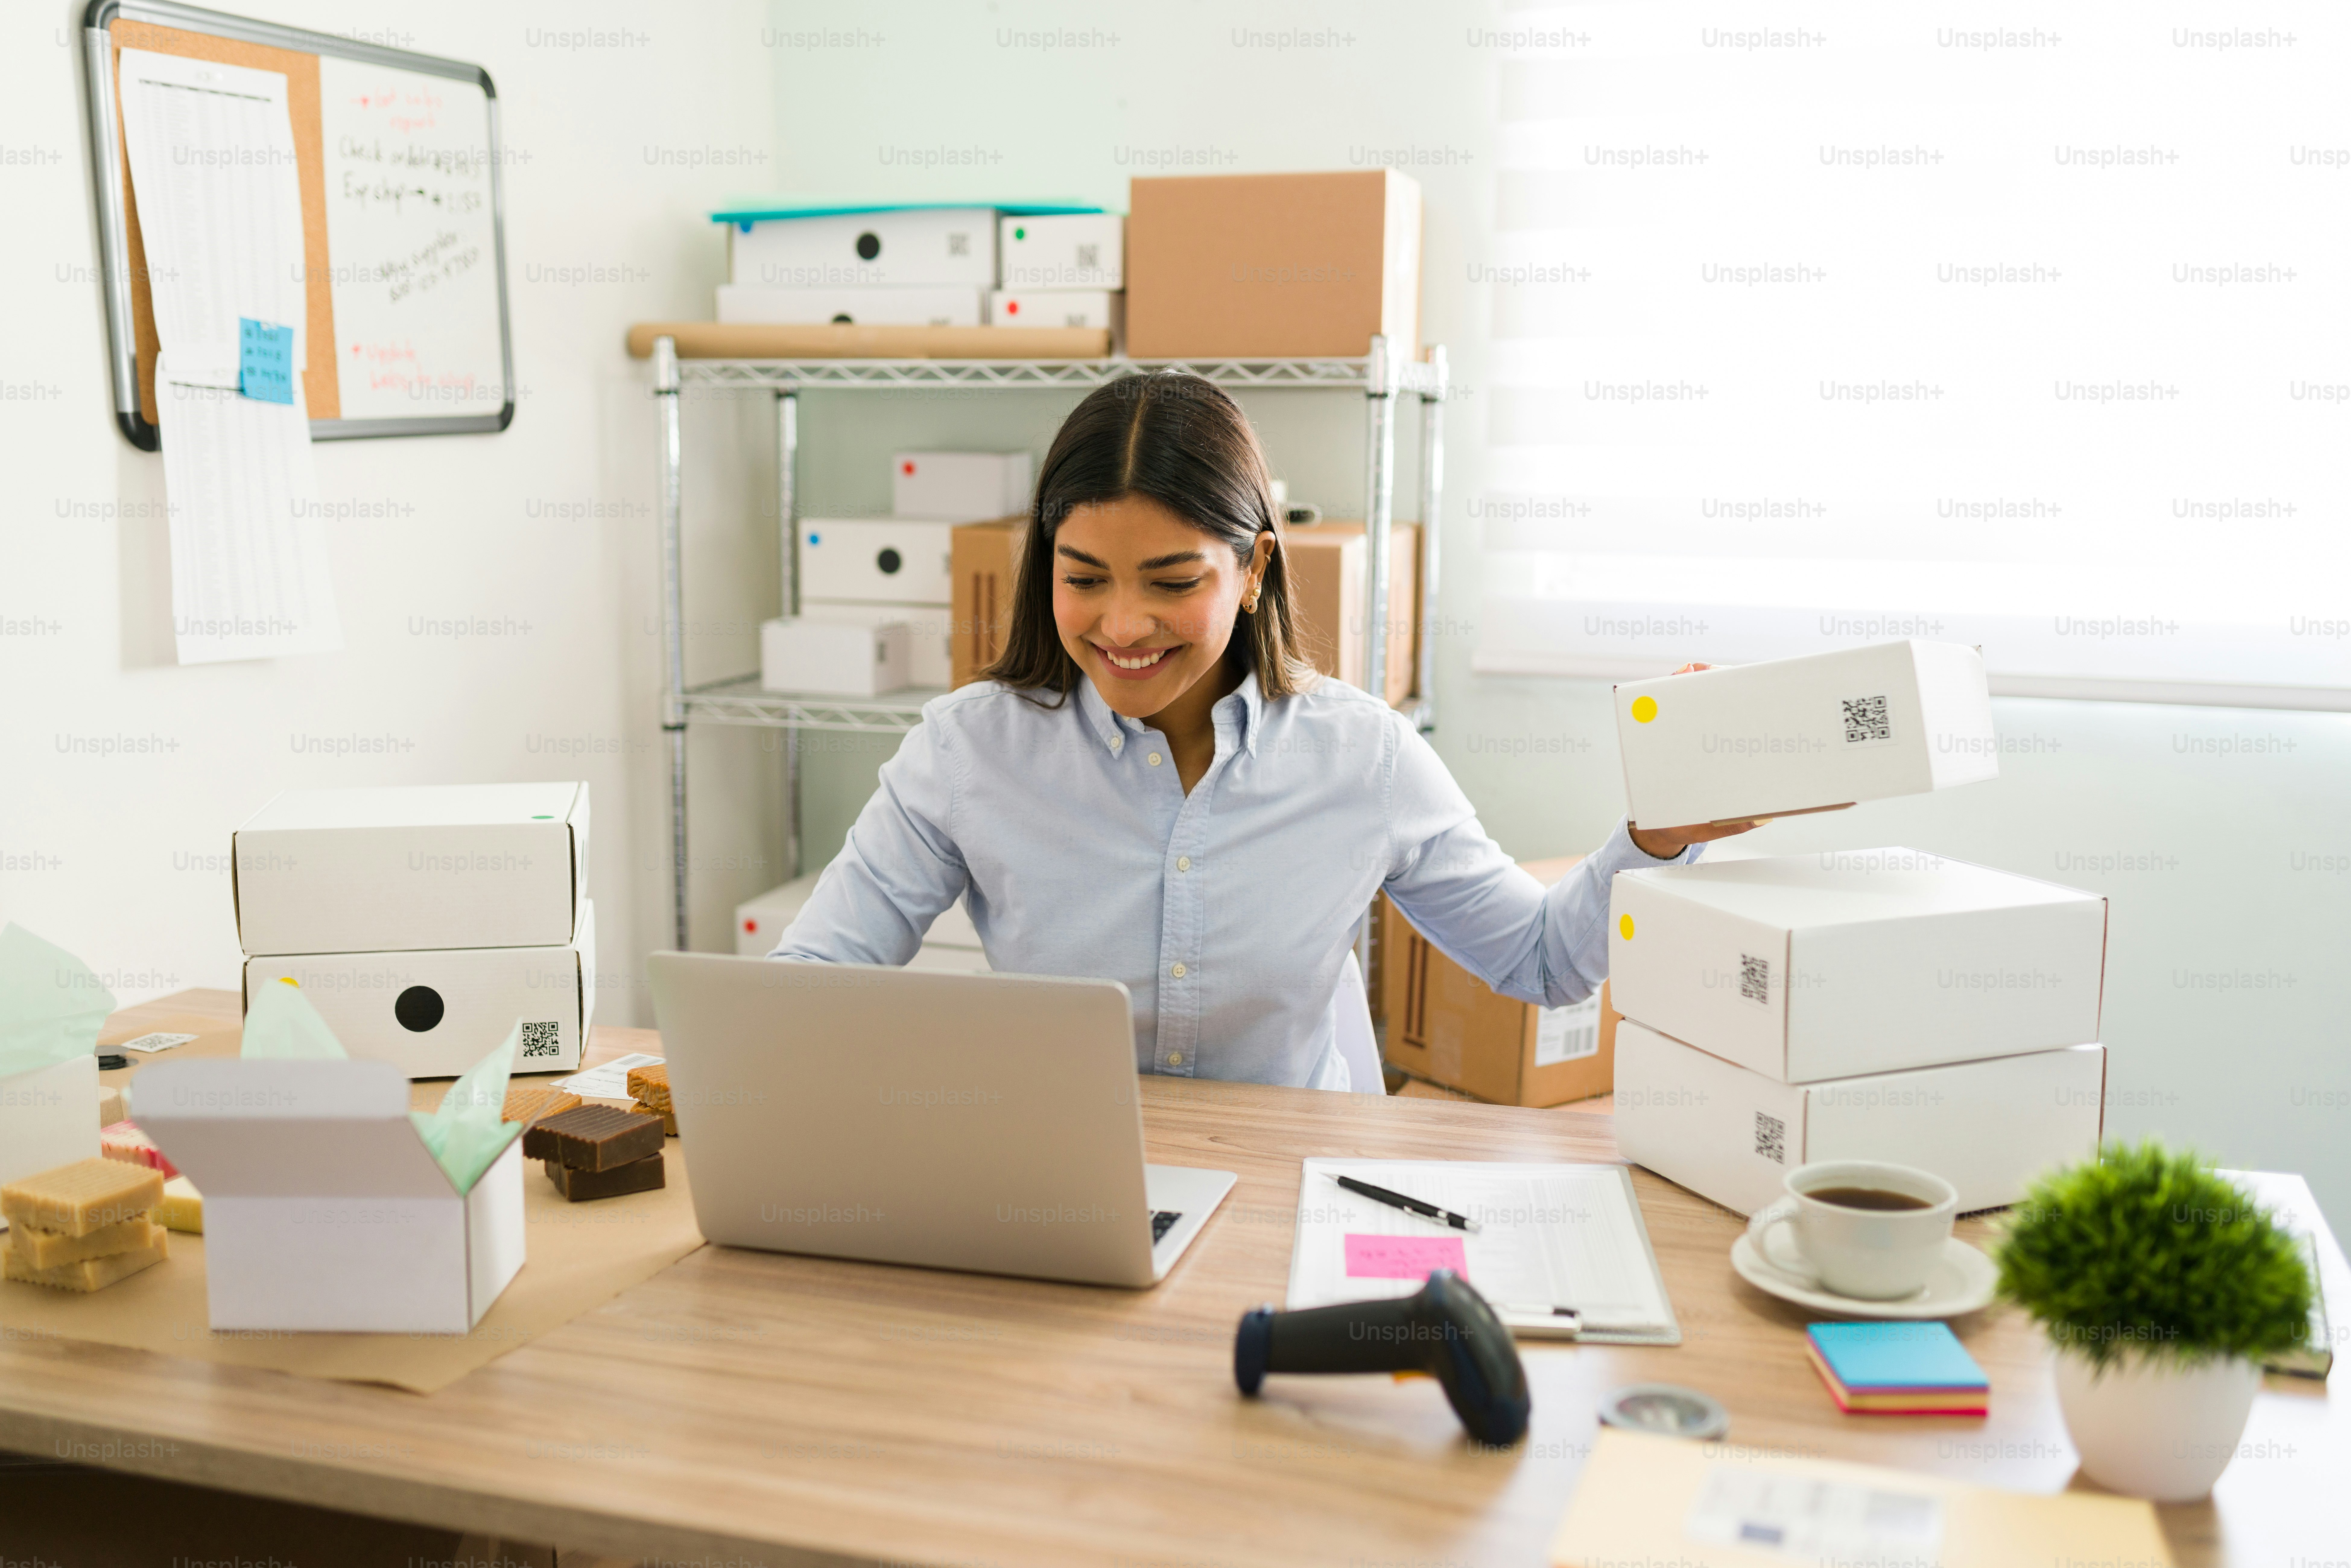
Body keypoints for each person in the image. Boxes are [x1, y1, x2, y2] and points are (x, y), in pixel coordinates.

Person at [769, 372, 1756, 1090]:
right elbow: (812, 984)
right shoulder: (967, 753)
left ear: (1252, 573)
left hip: (1299, 1184)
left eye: (1171, 582)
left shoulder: (1360, 756)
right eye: (1082, 578)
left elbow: (1542, 961)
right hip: (1072, 1188)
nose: (1120, 626)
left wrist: (1660, 835)